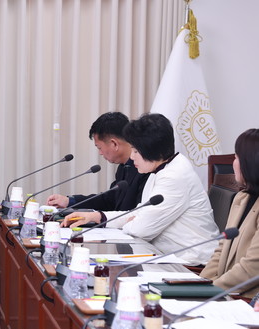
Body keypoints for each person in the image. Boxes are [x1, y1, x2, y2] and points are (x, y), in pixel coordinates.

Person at [63, 113, 220, 265]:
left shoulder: (174, 177)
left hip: (191, 261)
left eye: (136, 151)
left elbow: (141, 230)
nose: (132, 157)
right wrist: (97, 216)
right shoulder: (159, 169)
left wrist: (136, 220)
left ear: (151, 150)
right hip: (167, 255)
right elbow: (138, 214)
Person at [46, 112, 149, 212]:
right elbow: (109, 200)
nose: (100, 153)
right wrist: (69, 201)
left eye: (99, 147)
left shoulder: (145, 169)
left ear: (114, 144)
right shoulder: (123, 168)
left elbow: (137, 213)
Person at [202, 129, 259, 298]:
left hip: (248, 299)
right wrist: (200, 284)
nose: (233, 163)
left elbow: (252, 268)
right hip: (225, 291)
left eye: (236, 158)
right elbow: (221, 249)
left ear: (249, 163)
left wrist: (211, 290)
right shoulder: (241, 198)